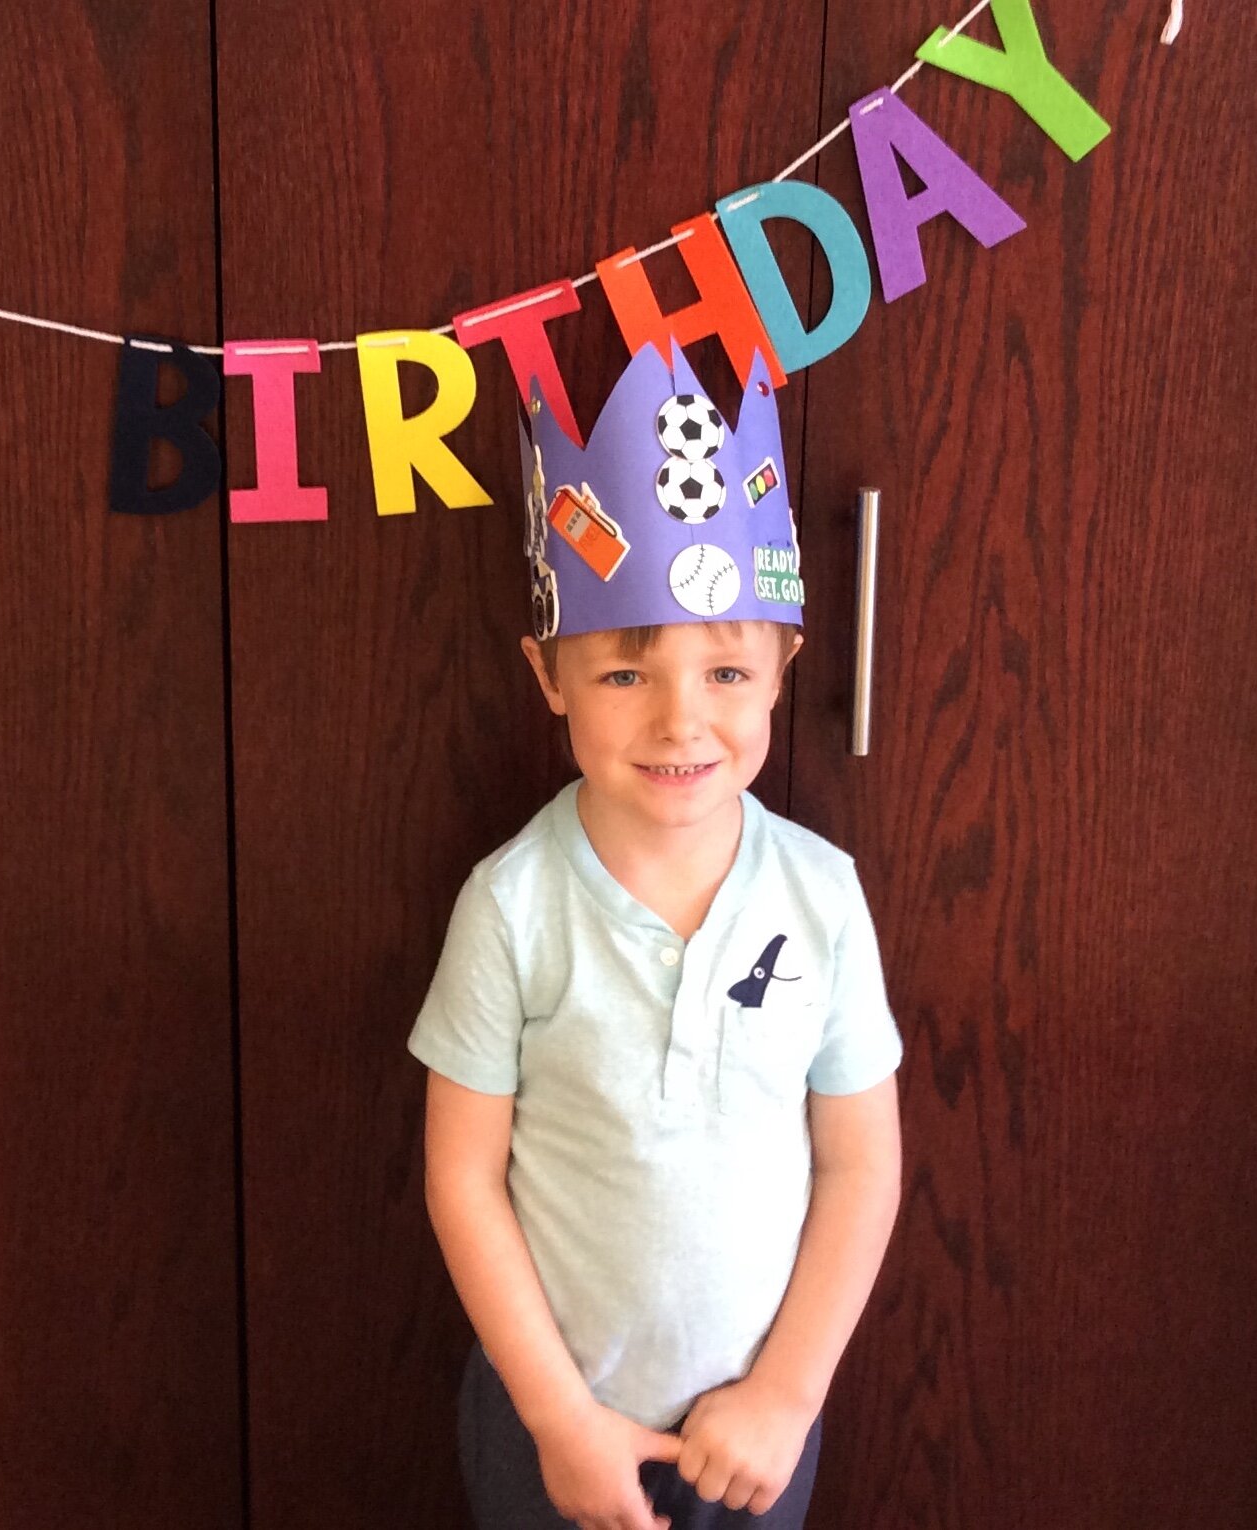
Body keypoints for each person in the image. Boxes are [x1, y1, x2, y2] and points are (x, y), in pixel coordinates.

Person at [408, 341, 906, 1529]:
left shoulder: (822, 897)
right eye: (624, 675)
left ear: (782, 669)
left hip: (758, 1437)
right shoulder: (510, 905)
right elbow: (461, 1176)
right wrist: (555, 1419)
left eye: (725, 670)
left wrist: (786, 1394)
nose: (681, 720)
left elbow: (860, 1165)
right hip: (548, 1428)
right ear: (549, 676)